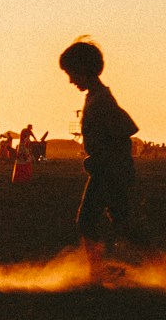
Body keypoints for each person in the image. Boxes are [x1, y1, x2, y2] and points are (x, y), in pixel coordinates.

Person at [59, 38, 140, 251]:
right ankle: (162, 268)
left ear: (83, 70)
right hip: (112, 171)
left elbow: (123, 133)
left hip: (108, 173)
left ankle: (97, 274)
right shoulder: (98, 98)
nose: (70, 80)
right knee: (123, 222)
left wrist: (100, 162)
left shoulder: (101, 101)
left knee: (87, 221)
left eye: (72, 74)